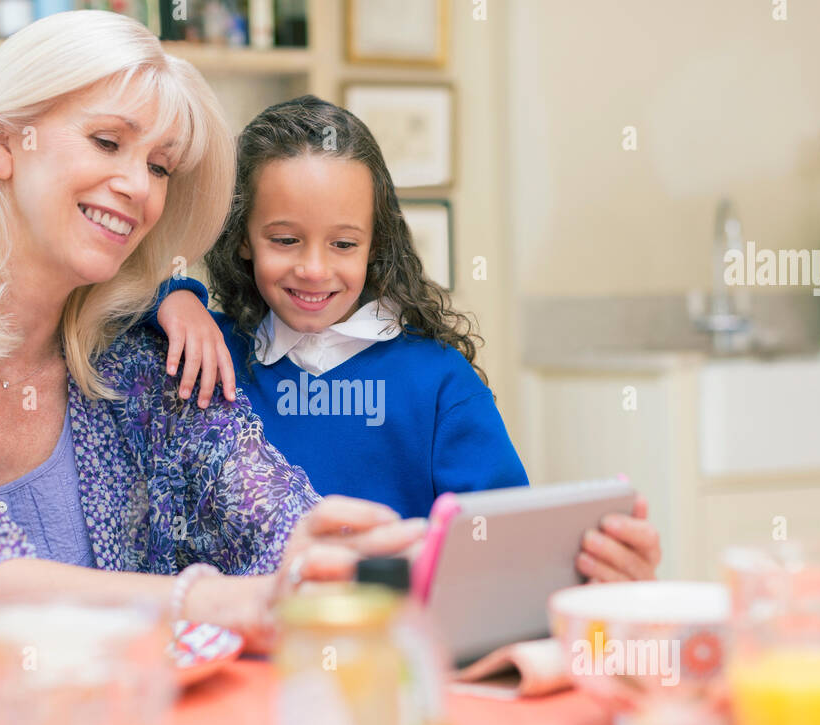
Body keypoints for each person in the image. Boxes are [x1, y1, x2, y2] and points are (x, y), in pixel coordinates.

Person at [0, 13, 423, 653]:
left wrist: (355, 553)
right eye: (108, 142)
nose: (138, 186)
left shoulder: (141, 365)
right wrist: (211, 601)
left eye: (161, 166)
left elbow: (271, 519)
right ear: (2, 143)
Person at [146, 97, 661, 580]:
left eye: (344, 243)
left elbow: (505, 553)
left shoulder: (439, 382)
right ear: (241, 237)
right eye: (285, 240)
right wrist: (170, 294)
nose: (313, 268)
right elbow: (99, 307)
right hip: (246, 653)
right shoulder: (204, 350)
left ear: (375, 246)